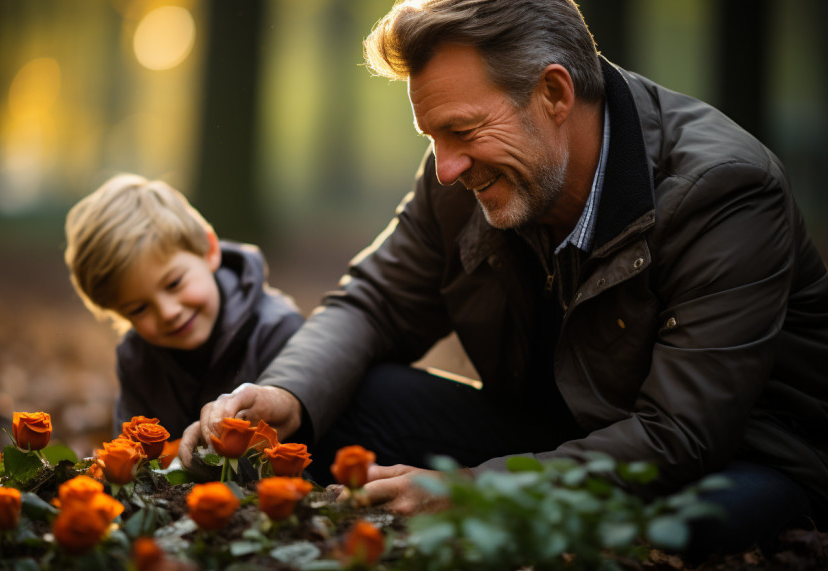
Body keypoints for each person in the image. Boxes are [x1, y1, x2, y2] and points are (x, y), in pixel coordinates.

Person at [180, 0, 828, 558]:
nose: (445, 168)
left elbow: (680, 435)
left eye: (460, 131)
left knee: (681, 529)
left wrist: (475, 491)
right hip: (549, 435)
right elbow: (375, 302)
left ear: (554, 93)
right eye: (432, 136)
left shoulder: (723, 191)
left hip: (728, 459)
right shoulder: (469, 173)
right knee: (347, 395)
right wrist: (286, 393)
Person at [64, 173, 304, 438]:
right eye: (138, 309)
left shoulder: (277, 330)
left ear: (209, 250)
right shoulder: (137, 358)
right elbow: (132, 457)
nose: (168, 312)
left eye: (174, 283)